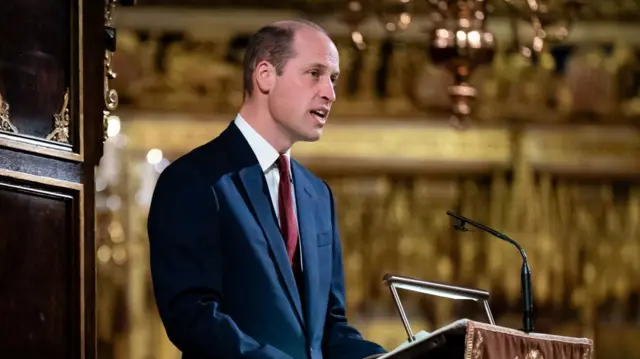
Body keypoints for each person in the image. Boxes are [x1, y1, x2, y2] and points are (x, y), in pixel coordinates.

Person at [147, 19, 387, 359]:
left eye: (333, 79)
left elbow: (330, 328)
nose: (330, 93)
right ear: (265, 75)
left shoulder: (318, 195)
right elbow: (192, 315)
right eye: (314, 73)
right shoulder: (194, 179)